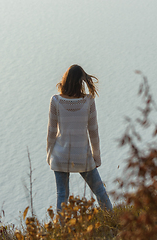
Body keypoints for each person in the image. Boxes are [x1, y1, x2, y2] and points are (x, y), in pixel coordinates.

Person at [46, 64, 113, 213]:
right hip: (83, 156)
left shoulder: (55, 101)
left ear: (65, 79)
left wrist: (49, 154)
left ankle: (62, 232)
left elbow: (51, 132)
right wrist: (97, 157)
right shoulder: (88, 101)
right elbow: (93, 132)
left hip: (60, 156)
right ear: (81, 81)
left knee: (62, 196)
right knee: (100, 192)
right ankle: (113, 222)